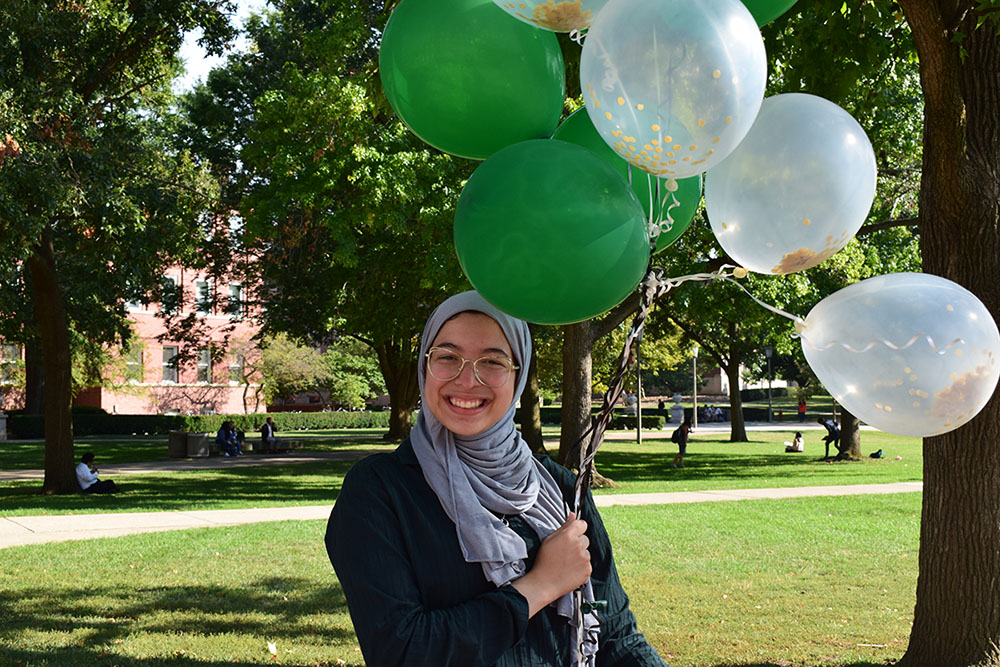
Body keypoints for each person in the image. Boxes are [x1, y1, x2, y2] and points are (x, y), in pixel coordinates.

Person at [326, 291, 666, 667]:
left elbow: (616, 638)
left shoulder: (562, 488)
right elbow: (403, 651)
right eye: (447, 357)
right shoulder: (379, 492)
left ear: (518, 375)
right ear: (426, 366)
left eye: (492, 361)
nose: (467, 380)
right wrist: (539, 587)